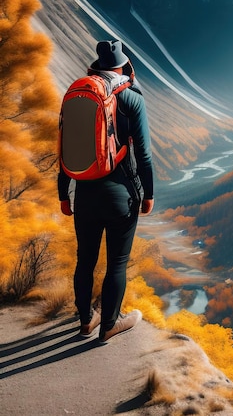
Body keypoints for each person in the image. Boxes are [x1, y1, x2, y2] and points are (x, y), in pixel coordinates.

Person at [58, 40, 154, 344]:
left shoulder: (79, 95)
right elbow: (144, 154)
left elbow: (65, 147)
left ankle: (86, 322)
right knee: (117, 263)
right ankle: (110, 324)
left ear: (96, 67)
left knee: (84, 259)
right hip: (120, 195)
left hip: (84, 193)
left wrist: (64, 193)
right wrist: (149, 193)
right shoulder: (130, 98)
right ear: (123, 67)